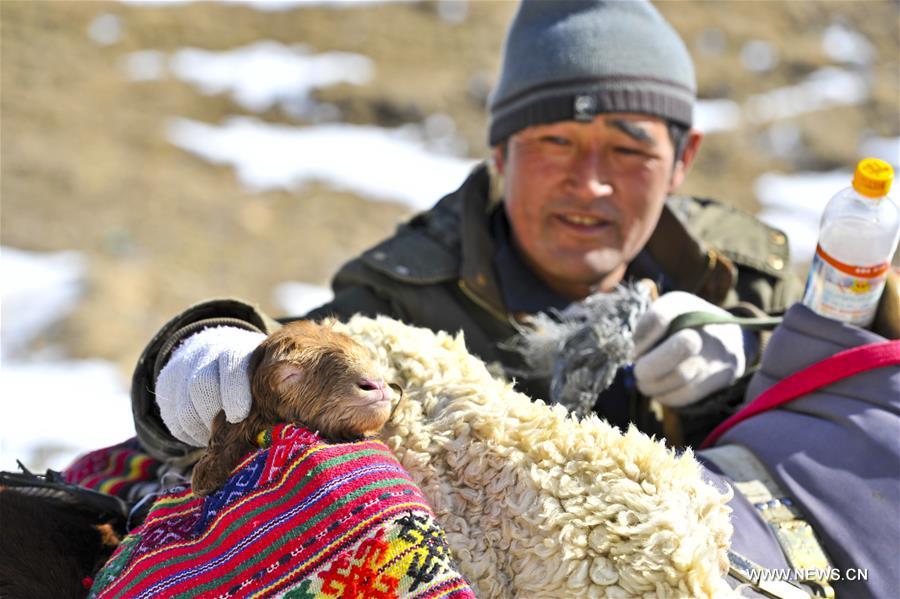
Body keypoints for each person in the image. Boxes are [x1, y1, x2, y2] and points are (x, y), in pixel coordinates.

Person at [131, 0, 802, 464]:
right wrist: (211, 359)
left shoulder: (752, 274)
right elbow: (284, 371)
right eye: (555, 141)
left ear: (683, 159)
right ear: (501, 154)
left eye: (628, 150)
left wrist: (758, 360)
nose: (590, 181)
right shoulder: (406, 291)